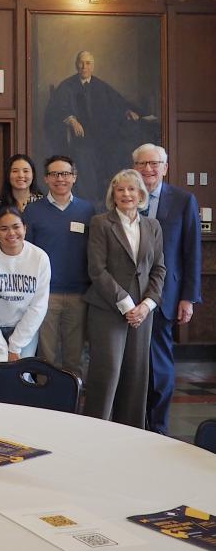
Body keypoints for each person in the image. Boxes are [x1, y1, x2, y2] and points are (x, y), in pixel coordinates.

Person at [85, 169, 165, 428]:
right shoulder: (100, 222)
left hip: (142, 313)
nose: (126, 194)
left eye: (132, 189)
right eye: (121, 189)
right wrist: (128, 305)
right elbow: (97, 270)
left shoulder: (153, 226)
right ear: (113, 194)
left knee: (136, 375)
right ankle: (96, 430)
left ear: (141, 194)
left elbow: (159, 269)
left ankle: (130, 433)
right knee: (106, 374)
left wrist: (147, 305)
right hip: (109, 309)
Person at [133, 143, 202, 434]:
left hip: (166, 296)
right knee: (133, 366)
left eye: (154, 164)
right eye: (142, 164)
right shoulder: (125, 196)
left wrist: (188, 297)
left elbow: (191, 251)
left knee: (159, 365)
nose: (148, 169)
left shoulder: (183, 200)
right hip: (130, 296)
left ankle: (158, 427)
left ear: (165, 167)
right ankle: (132, 422)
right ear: (134, 168)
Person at [25, 155, 95, 378]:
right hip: (45, 295)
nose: (60, 179)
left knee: (75, 357)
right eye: (54, 174)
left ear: (74, 177)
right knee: (47, 356)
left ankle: (71, 405)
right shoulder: (33, 211)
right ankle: (47, 403)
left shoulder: (88, 210)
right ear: (46, 178)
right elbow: (27, 253)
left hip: (79, 295)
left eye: (65, 174)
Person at [44, 50, 144, 201]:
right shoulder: (67, 86)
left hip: (101, 139)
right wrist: (71, 119)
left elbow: (117, 102)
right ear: (76, 65)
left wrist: (127, 111)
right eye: (81, 63)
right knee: (84, 160)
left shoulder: (100, 86)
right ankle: (88, 201)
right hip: (80, 140)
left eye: (88, 63)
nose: (84, 66)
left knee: (117, 155)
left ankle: (109, 201)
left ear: (93, 66)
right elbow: (56, 110)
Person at [0, 207, 51, 384]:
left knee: (23, 377)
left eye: (16, 227)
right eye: (4, 228)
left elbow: (39, 306)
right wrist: (0, 350)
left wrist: (15, 346)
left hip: (23, 329)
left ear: (25, 228)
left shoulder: (39, 258)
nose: (11, 233)